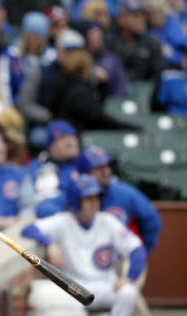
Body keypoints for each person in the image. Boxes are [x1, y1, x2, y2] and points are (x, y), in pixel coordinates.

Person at [21, 174, 147, 316]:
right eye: (88, 199)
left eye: (96, 198)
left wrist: (129, 278)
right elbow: (28, 229)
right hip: (75, 288)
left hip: (105, 286)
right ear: (75, 201)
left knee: (128, 292)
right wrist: (50, 244)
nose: (94, 202)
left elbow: (136, 248)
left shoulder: (108, 221)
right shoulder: (63, 221)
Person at [76, 146, 162, 253]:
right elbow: (52, 209)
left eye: (107, 166)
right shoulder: (74, 193)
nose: (105, 172)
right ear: (84, 173)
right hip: (82, 255)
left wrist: (140, 251)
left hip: (119, 256)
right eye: (98, 168)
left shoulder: (124, 192)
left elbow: (152, 220)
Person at [26, 120, 80, 218]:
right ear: (50, 146)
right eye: (63, 138)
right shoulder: (35, 167)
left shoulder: (86, 165)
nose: (70, 142)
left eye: (72, 136)